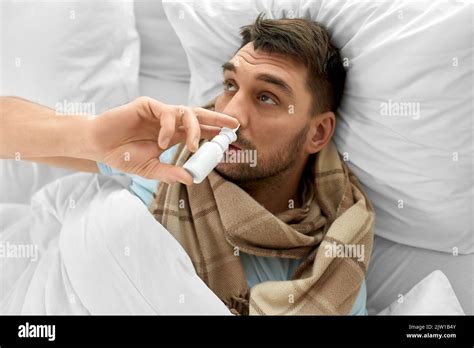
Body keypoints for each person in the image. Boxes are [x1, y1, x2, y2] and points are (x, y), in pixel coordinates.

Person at [1, 15, 373, 315]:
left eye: (266, 97)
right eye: (230, 85)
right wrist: (94, 135)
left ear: (318, 132)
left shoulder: (331, 266)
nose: (231, 114)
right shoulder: (170, 151)